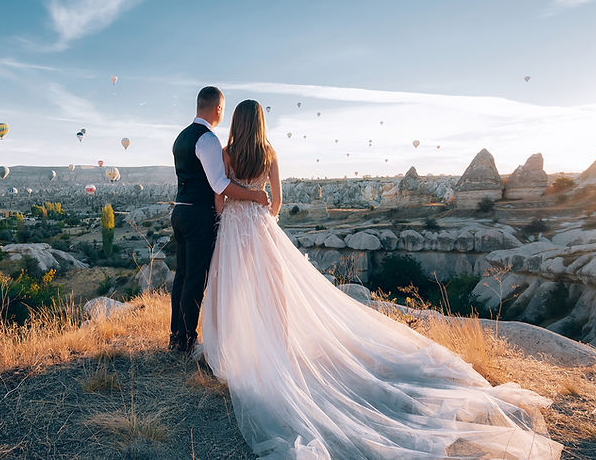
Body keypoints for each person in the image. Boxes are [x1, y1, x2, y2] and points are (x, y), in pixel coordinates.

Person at [199, 99, 563, 459]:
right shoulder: (269, 153)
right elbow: (276, 204)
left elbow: (219, 200)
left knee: (234, 293)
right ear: (262, 123)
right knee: (274, 295)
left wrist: (234, 216)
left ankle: (234, 358)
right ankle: (280, 353)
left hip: (233, 232)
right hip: (262, 231)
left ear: (235, 122)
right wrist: (259, 212)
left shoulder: (228, 154)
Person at [169, 86, 269, 354]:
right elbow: (220, 184)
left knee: (181, 276)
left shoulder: (181, 137)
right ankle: (188, 340)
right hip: (199, 215)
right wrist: (255, 196)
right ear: (218, 109)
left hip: (179, 211)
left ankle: (176, 335)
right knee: (195, 278)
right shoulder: (209, 139)